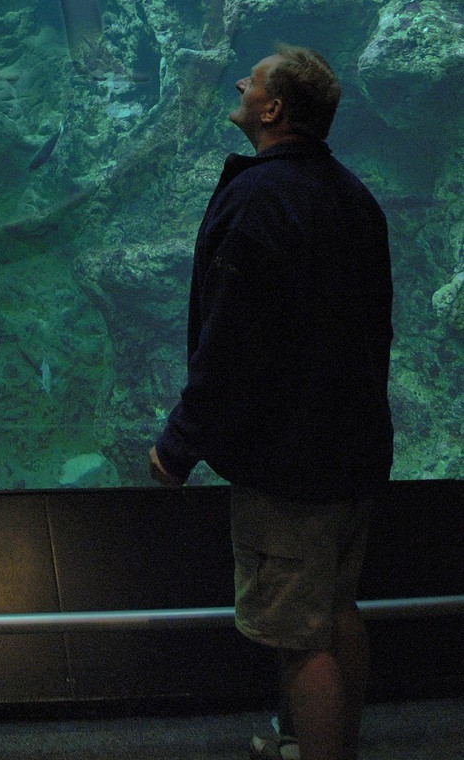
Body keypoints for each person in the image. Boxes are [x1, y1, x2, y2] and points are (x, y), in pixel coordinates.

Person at [149, 45, 394, 760]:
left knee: (298, 643)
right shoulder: (356, 196)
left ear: (274, 108)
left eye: (251, 79)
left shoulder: (258, 199)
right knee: (338, 610)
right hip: (352, 453)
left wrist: (178, 443)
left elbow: (229, 339)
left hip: (289, 465)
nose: (239, 82)